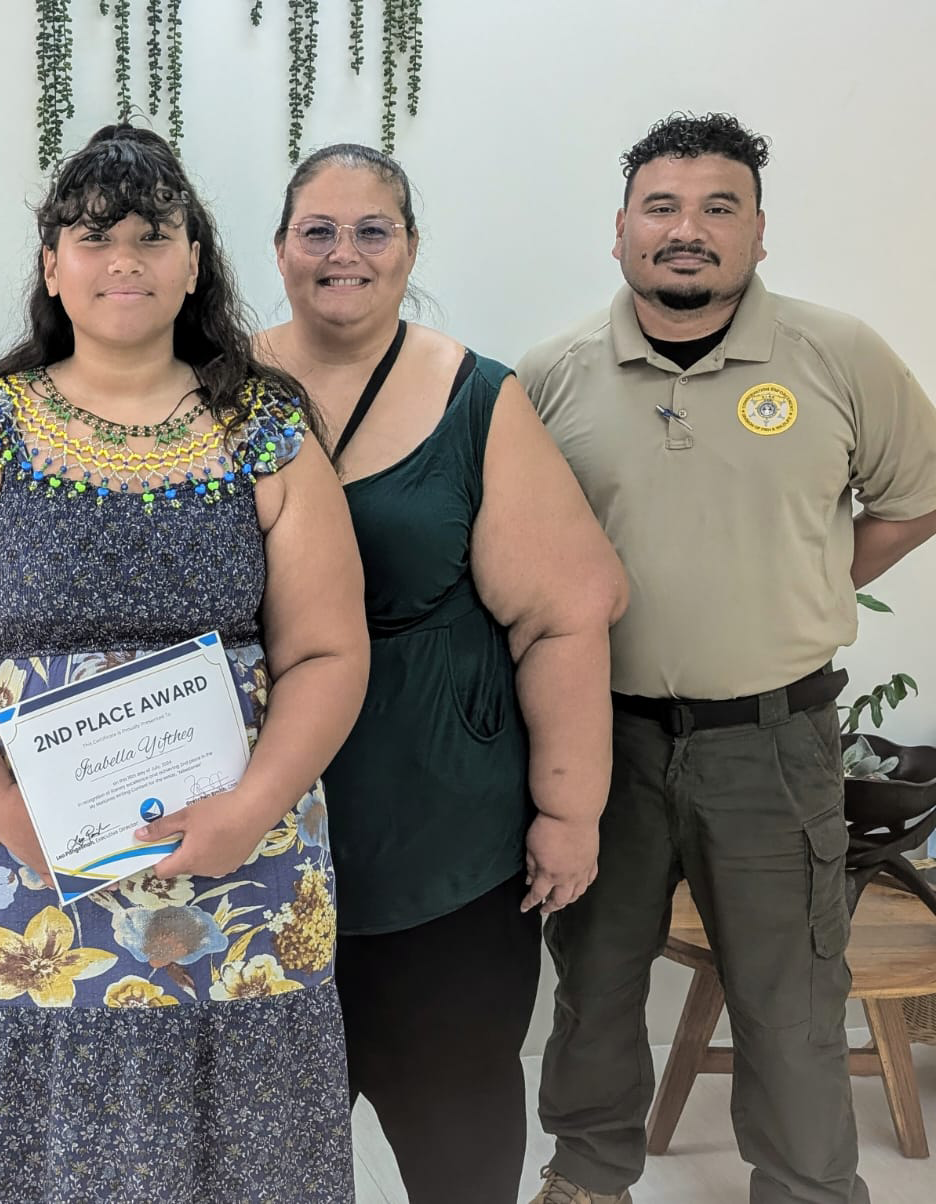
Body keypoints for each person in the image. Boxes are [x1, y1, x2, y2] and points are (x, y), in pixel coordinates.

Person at [0, 124, 370, 1201]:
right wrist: (4, 807)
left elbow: (328, 648)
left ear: (195, 260)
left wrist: (252, 806)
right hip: (15, 872)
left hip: (239, 864)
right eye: (92, 237)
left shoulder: (266, 427)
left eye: (152, 234)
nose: (124, 259)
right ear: (51, 264)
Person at [520, 112, 936, 1204]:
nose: (687, 230)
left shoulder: (835, 354)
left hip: (772, 742)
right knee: (593, 988)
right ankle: (587, 1176)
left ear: (758, 234)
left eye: (719, 207)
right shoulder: (550, 377)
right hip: (597, 743)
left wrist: (805, 585)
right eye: (661, 206)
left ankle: (804, 1189)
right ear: (619, 232)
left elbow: (915, 496)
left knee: (789, 998)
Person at [256, 144, 627, 1204]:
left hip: (443, 844)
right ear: (279, 248)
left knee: (455, 1125)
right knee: (266, 1145)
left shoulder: (477, 397)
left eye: (372, 230)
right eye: (316, 231)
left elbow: (565, 613)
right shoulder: (213, 390)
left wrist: (569, 810)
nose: (343, 253)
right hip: (255, 849)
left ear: (409, 247)